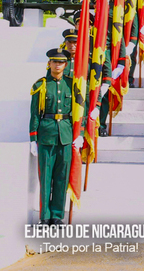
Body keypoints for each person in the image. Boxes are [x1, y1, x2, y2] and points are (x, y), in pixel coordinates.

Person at [30, 49, 80, 225]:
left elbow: (78, 110)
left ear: (66, 65)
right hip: (46, 134)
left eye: (61, 62)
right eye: (54, 62)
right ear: (49, 63)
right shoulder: (41, 85)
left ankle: (57, 215)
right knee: (45, 176)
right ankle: (44, 215)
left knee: (61, 176)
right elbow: (35, 114)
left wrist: (79, 134)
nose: (57, 65)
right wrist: (33, 138)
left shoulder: (71, 84)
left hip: (65, 135)